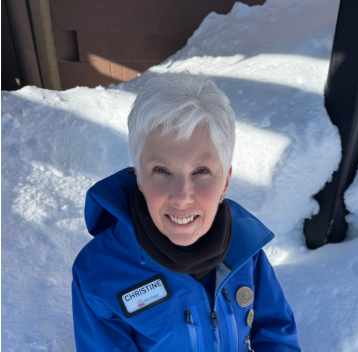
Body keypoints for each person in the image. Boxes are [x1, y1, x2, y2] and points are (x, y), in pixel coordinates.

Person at [72, 71, 301, 351]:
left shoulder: (245, 247)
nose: (181, 197)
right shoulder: (99, 272)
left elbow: (276, 334)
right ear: (140, 179)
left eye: (201, 171)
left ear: (226, 182)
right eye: (161, 170)